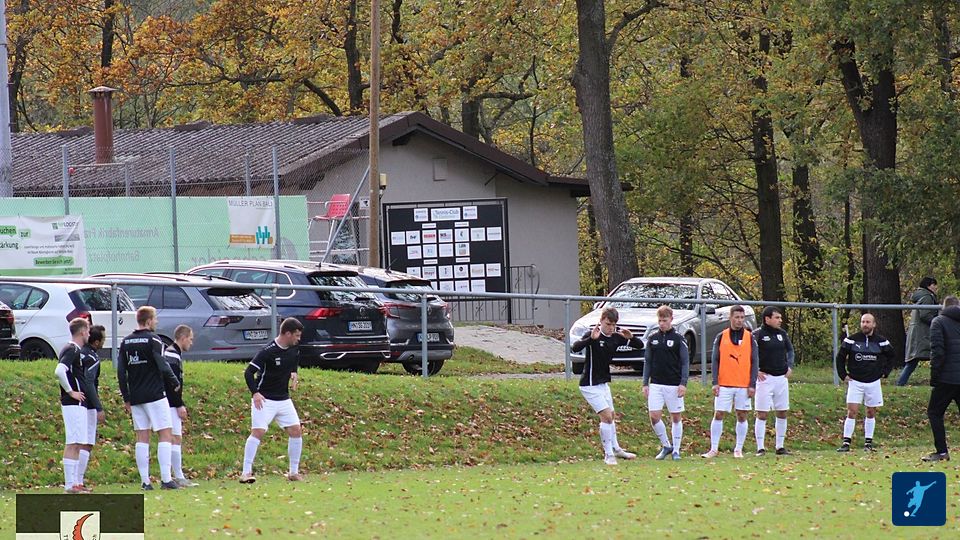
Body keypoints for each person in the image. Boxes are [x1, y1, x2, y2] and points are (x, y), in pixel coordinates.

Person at [117, 306, 181, 490]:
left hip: (136, 397)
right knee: (165, 433)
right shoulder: (154, 339)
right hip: (155, 394)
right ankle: (166, 479)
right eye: (155, 319)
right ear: (148, 321)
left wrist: (126, 397)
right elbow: (162, 363)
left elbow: (121, 371)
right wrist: (174, 380)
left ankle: (145, 482)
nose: (156, 322)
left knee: (142, 437)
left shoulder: (126, 342)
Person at [570, 306, 641, 465]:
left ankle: (616, 449)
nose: (611, 328)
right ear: (601, 321)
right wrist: (590, 339)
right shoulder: (593, 335)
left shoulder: (616, 337)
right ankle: (608, 455)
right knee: (606, 417)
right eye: (608, 324)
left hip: (603, 383)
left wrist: (631, 337)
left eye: (613, 324)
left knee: (612, 416)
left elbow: (639, 345)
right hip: (589, 384)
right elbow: (575, 347)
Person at [240, 317, 306, 483]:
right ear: (287, 333)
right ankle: (246, 473)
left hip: (283, 399)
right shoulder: (267, 351)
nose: (299, 339)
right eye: (297, 335)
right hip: (264, 399)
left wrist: (294, 372)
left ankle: (293, 472)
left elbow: (294, 359)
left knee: (296, 431)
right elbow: (248, 373)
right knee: (258, 432)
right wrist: (255, 393)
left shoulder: (294, 348)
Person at [702, 305, 758, 459]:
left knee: (742, 415)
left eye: (742, 317)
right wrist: (715, 382)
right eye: (737, 317)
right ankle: (714, 448)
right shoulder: (721, 336)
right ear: (730, 318)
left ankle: (738, 449)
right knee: (719, 413)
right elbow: (715, 360)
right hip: (724, 383)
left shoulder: (750, 337)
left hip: (743, 384)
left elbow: (754, 361)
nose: (739, 320)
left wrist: (752, 384)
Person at [836, 312, 894, 452]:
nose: (865, 324)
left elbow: (891, 356)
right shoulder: (851, 340)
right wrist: (843, 375)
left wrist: (885, 372)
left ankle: (868, 443)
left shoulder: (881, 341)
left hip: (873, 382)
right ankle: (846, 443)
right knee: (852, 411)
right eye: (863, 322)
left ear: (874, 324)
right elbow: (840, 358)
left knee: (871, 411)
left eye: (868, 322)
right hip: (855, 382)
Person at [642, 305, 689, 460]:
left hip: (674, 383)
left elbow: (685, 362)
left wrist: (683, 383)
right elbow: (648, 361)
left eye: (665, 320)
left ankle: (676, 450)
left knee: (675, 417)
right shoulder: (653, 339)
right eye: (660, 320)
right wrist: (645, 383)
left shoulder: (678, 339)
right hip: (656, 383)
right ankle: (666, 445)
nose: (662, 323)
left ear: (671, 320)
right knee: (654, 416)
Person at [922, 295, 960, 462]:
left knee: (935, 412)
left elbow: (937, 351)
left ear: (943, 307)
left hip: (947, 377)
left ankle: (942, 451)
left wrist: (934, 376)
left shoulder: (938, 322)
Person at [753, 307, 795, 456]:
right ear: (767, 319)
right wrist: (756, 370)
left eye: (780, 318)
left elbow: (790, 350)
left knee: (782, 412)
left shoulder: (782, 334)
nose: (780, 320)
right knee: (762, 413)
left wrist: (790, 366)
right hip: (765, 379)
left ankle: (780, 446)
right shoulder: (757, 334)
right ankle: (760, 447)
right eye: (777, 317)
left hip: (781, 379)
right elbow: (749, 354)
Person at [55, 318, 90, 494]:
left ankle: (75, 483)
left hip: (79, 404)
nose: (89, 334)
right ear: (82, 331)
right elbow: (59, 371)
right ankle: (69, 485)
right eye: (88, 330)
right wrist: (71, 392)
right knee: (72, 442)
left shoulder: (75, 350)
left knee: (78, 443)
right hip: (73, 403)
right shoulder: (72, 349)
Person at [164, 324, 199, 487]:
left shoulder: (173, 354)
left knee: (173, 438)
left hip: (170, 402)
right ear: (183, 338)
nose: (191, 342)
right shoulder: (172, 355)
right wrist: (179, 404)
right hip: (170, 403)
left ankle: (174, 475)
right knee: (175, 438)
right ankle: (177, 476)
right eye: (190, 339)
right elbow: (172, 383)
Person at [76, 325, 106, 491]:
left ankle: (74, 481)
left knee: (77, 443)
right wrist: (98, 407)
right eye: (103, 339)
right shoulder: (92, 358)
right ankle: (78, 481)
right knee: (86, 443)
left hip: (75, 402)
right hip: (87, 404)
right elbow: (89, 382)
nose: (104, 341)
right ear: (96, 342)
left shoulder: (79, 352)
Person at [898, 277, 939, 386]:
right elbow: (925, 315)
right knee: (937, 356)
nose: (936, 287)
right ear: (929, 285)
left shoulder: (921, 296)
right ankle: (937, 382)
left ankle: (900, 383)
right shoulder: (927, 297)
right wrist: (937, 322)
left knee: (913, 362)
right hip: (923, 334)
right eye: (934, 285)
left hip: (918, 333)